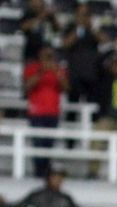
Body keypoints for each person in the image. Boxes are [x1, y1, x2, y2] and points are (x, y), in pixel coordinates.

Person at [23, 44, 67, 179]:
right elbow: (27, 87)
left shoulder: (58, 68)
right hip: (36, 112)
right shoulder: (32, 68)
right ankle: (38, 173)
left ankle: (46, 174)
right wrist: (41, 72)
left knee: (48, 145)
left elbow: (66, 87)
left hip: (53, 112)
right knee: (38, 144)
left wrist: (56, 72)